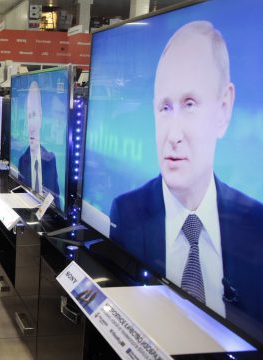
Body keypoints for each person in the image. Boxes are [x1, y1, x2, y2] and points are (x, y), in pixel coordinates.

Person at [109, 21, 263, 324]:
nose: (173, 135)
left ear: (224, 108)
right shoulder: (127, 213)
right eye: (164, 108)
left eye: (189, 104)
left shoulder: (256, 225)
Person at [17, 81, 61, 207]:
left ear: (41, 117)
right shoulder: (22, 161)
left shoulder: (50, 159)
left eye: (34, 115)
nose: (31, 125)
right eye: (29, 115)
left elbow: (56, 201)